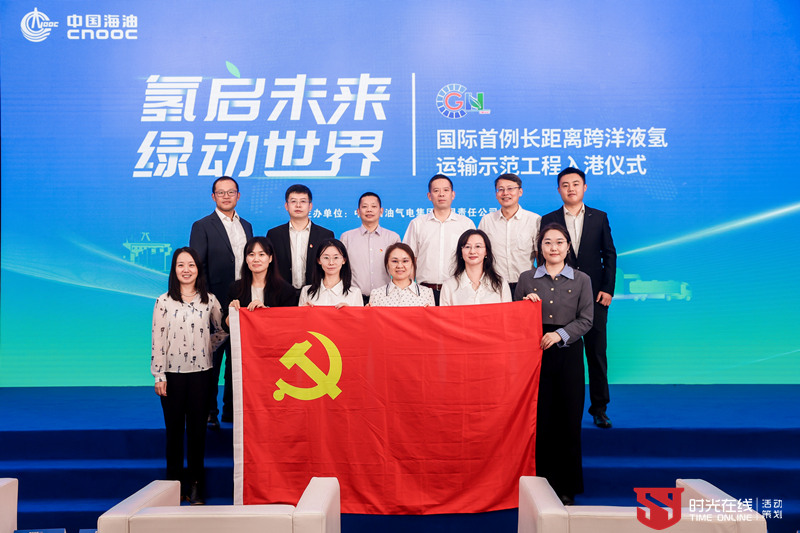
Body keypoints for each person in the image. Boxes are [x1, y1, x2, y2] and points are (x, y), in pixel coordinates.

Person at [514, 223, 593, 506]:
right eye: (547, 242)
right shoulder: (526, 278)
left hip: (567, 353)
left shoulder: (582, 279)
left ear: (568, 247)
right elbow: (513, 318)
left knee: (568, 419)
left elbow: (586, 319)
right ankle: (540, 484)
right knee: (541, 419)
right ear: (540, 247)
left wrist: (560, 334)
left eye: (559, 242)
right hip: (535, 355)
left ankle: (567, 486)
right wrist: (526, 305)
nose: (554, 248)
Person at [540, 167, 617, 429]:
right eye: (565, 184)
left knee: (596, 352)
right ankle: (558, 407)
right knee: (560, 354)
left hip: (594, 296)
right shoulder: (549, 219)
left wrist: (607, 288)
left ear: (584, 187)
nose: (570, 188)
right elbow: (543, 256)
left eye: (575, 184)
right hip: (559, 297)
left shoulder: (599, 217)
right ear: (558, 190)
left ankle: (599, 408)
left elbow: (609, 254)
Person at [151, 247, 227, 505]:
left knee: (197, 433)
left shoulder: (210, 300)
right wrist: (159, 375)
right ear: (174, 270)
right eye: (181, 265)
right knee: (174, 433)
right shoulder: (163, 301)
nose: (186, 270)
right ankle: (173, 486)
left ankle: (196, 486)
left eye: (191, 265)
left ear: (198, 269)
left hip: (201, 376)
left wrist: (206, 346)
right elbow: (157, 339)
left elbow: (222, 330)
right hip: (171, 376)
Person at [189, 176, 253, 429]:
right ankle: (209, 411)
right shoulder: (202, 226)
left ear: (239, 195)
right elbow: (197, 266)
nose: (226, 196)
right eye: (221, 192)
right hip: (214, 303)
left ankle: (232, 410)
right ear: (213, 196)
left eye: (231, 192)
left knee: (238, 359)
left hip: (243, 303)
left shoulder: (246, 225)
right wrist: (204, 302)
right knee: (212, 360)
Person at [403, 174, 475, 304]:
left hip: (457, 290)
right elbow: (410, 259)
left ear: (453, 194)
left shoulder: (466, 224)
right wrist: (410, 291)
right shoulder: (417, 224)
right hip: (424, 291)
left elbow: (473, 259)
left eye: (446, 190)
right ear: (429, 196)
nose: (441, 194)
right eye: (436, 190)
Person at [267, 184, 335, 297]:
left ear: (310, 206)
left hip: (316, 294)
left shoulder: (325, 235)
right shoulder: (274, 234)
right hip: (281, 294)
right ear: (286, 206)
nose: (298, 205)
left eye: (303, 201)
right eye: (293, 201)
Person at [478, 173, 540, 296]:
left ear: (520, 192)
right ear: (496, 194)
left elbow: (540, 257)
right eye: (500, 189)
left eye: (510, 188)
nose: (505, 193)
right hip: (494, 286)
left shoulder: (534, 220)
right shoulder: (487, 221)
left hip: (527, 285)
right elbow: (480, 255)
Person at [341, 192, 401, 305]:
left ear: (381, 211)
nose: (369, 210)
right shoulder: (347, 237)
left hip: (385, 299)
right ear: (358, 211)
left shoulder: (393, 238)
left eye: (373, 206)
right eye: (364, 206)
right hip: (354, 299)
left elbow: (399, 268)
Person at [223, 237, 296, 329]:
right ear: (246, 259)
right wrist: (232, 312)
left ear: (270, 258)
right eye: (251, 254)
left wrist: (265, 312)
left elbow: (289, 325)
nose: (256, 259)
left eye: (261, 254)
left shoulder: (286, 290)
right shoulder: (235, 288)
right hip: (244, 338)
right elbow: (225, 327)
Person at [440, 229, 511, 306]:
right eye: (467, 247)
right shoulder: (449, 286)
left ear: (486, 251)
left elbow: (508, 313)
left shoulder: (501, 284)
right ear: (461, 252)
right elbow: (444, 314)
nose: (472, 251)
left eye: (478, 246)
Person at [298, 239, 364, 307]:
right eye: (326, 258)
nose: (331, 263)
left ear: (344, 260)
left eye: (336, 257)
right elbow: (299, 314)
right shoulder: (306, 291)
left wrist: (349, 311)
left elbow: (359, 314)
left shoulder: (354, 293)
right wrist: (304, 311)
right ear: (319, 260)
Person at [368, 243, 435, 307]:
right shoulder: (377, 294)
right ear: (387, 264)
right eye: (394, 261)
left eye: (405, 261)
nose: (400, 266)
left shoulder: (426, 293)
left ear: (412, 264)